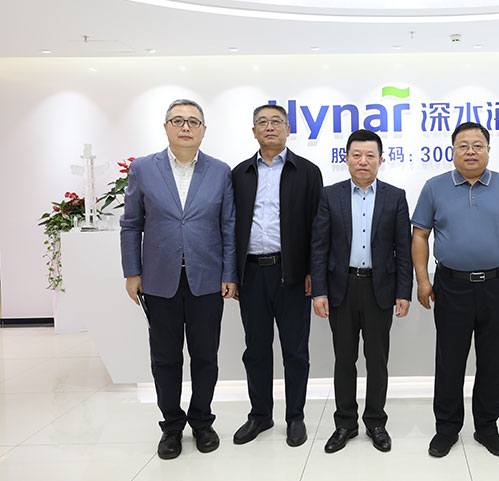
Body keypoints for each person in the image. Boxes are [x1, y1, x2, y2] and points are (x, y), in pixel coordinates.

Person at [120, 99, 236, 460]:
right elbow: (131, 224)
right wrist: (132, 272)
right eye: (178, 120)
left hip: (207, 279)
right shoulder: (143, 169)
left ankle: (202, 421)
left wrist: (229, 273)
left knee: (205, 357)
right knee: (165, 358)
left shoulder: (220, 171)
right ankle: (171, 426)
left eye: (193, 122)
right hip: (159, 280)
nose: (186, 127)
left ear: (203, 130)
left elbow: (228, 226)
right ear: (166, 127)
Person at [411, 122, 499, 458]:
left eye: (478, 145)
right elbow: (420, 235)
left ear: (488, 150)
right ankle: (447, 428)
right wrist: (423, 281)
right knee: (450, 360)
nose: (470, 151)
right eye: (463, 145)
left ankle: (487, 427)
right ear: (452, 151)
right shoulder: (434, 187)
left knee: (494, 360)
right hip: (451, 286)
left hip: (498, 286)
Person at [310, 130, 412, 454]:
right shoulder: (330, 195)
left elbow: (403, 249)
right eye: (356, 155)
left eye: (370, 155)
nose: (363, 161)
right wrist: (319, 291)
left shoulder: (395, 197)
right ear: (346, 159)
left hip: (379, 288)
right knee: (344, 359)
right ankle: (345, 423)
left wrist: (404, 292)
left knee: (377, 360)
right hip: (341, 288)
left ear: (381, 160)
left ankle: (376, 422)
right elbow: (319, 247)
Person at [231, 103, 322, 447]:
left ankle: (295, 417)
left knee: (295, 351)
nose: (269, 127)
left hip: (293, 274)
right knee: (255, 349)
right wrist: (232, 273)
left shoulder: (308, 172)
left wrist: (313, 271)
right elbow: (229, 226)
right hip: (252, 274)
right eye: (262, 122)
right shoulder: (239, 174)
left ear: (288, 129)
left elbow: (318, 227)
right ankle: (260, 415)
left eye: (276, 121)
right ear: (253, 131)